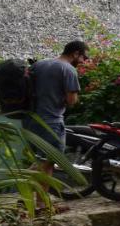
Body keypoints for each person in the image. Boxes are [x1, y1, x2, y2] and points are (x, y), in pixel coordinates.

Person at [26, 40, 87, 192]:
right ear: (76, 53)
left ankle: (40, 204)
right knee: (48, 161)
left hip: (30, 120)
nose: (84, 62)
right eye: (84, 58)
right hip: (51, 122)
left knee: (44, 161)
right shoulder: (68, 69)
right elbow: (71, 101)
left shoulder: (39, 64)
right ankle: (22, 185)